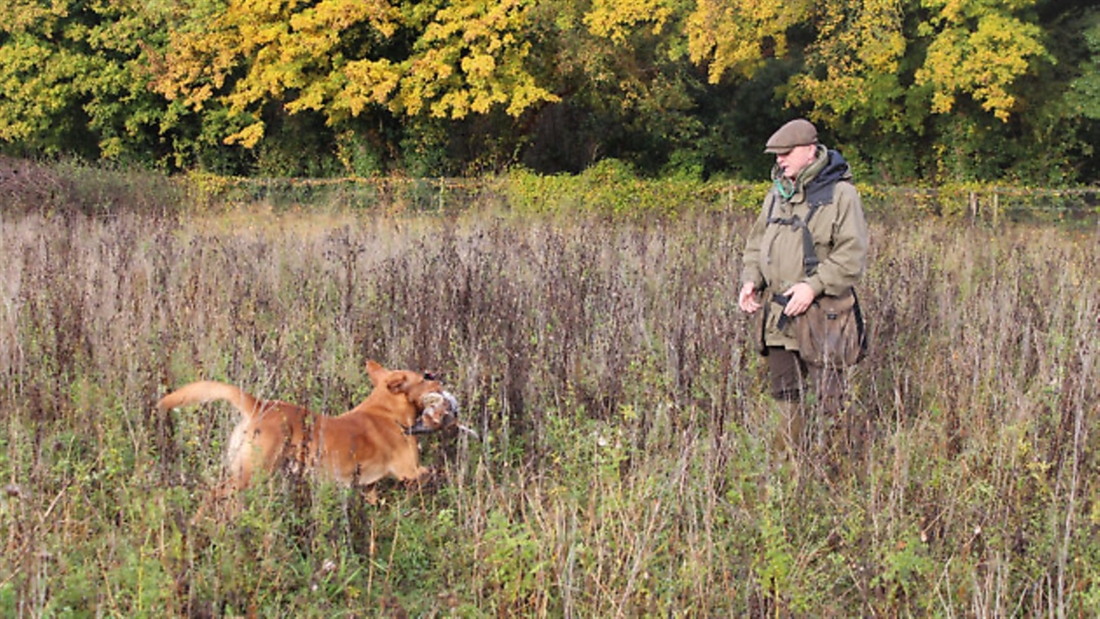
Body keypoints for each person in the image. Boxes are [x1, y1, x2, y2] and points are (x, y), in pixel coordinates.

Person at [738, 118, 869, 464]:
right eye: (777, 154)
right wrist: (751, 280)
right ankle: (787, 477)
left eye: (787, 152)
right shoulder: (775, 195)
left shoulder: (842, 195)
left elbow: (851, 258)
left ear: (810, 151)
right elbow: (755, 245)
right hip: (778, 318)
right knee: (785, 397)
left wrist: (812, 287)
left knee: (832, 402)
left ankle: (838, 478)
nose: (780, 160)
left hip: (825, 317)